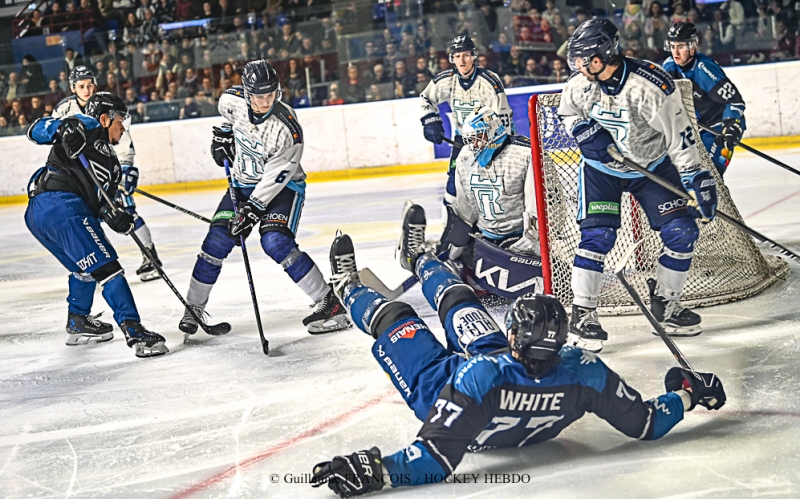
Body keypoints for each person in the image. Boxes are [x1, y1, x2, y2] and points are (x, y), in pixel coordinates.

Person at [309, 225, 725, 497]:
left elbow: (433, 458)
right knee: (459, 299)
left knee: (397, 317)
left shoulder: (482, 374)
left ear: (514, 337)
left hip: (442, 388)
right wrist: (686, 396)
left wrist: (376, 471)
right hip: (498, 384)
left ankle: (346, 285)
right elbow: (646, 423)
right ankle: (417, 256)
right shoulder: (585, 372)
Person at [557, 19, 718, 352]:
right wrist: (586, 133)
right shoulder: (580, 84)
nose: (577, 66)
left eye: (582, 59)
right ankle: (583, 314)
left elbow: (681, 137)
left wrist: (696, 177)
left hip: (651, 169)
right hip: (602, 171)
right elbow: (568, 113)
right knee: (597, 237)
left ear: (601, 57)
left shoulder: (650, 85)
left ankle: (666, 304)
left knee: (683, 232)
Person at [179, 60, 350, 336]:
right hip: (242, 184)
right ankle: (194, 306)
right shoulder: (230, 101)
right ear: (247, 93)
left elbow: (276, 177)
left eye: (270, 94)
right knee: (217, 241)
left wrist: (252, 211)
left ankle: (329, 304)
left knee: (275, 241)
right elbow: (228, 119)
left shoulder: (287, 129)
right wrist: (222, 139)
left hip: (283, 189)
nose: (265, 101)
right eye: (259, 95)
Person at [24, 93, 167, 358]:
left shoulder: (113, 167)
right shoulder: (86, 125)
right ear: (104, 118)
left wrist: (118, 218)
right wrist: (62, 129)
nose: (123, 128)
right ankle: (135, 331)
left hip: (46, 214)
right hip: (60, 206)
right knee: (108, 268)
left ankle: (78, 321)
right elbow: (34, 130)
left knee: (85, 267)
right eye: (120, 121)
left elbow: (103, 207)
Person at [52, 66, 164, 282]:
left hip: (109, 165)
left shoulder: (109, 104)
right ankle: (94, 262)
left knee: (126, 210)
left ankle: (150, 255)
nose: (86, 90)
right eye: (81, 86)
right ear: (73, 87)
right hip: (79, 172)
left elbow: (122, 136)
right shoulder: (64, 109)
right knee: (87, 216)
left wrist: (125, 167)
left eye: (90, 85)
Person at [431, 106, 542, 301]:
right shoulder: (465, 157)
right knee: (456, 268)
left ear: (494, 131)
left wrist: (534, 236)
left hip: (521, 242)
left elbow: (540, 205)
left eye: (478, 137)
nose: (473, 145)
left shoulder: (525, 154)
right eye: (469, 139)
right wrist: (457, 240)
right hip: (486, 242)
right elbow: (465, 208)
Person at [418, 35, 514, 231]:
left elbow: (503, 117)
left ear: (474, 57)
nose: (462, 60)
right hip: (462, 140)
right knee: (454, 186)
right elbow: (425, 98)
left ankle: (498, 229)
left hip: (490, 141)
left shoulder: (489, 81)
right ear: (452, 58)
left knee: (494, 185)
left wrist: (498, 146)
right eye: (457, 56)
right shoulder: (446, 80)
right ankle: (450, 232)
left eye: (466, 55)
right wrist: (430, 120)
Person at [662, 22, 746, 176]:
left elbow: (735, 102)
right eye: (672, 46)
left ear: (692, 46)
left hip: (718, 128)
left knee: (710, 175)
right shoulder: (669, 67)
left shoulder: (704, 71)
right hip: (694, 129)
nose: (675, 52)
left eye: (680, 46)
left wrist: (731, 126)